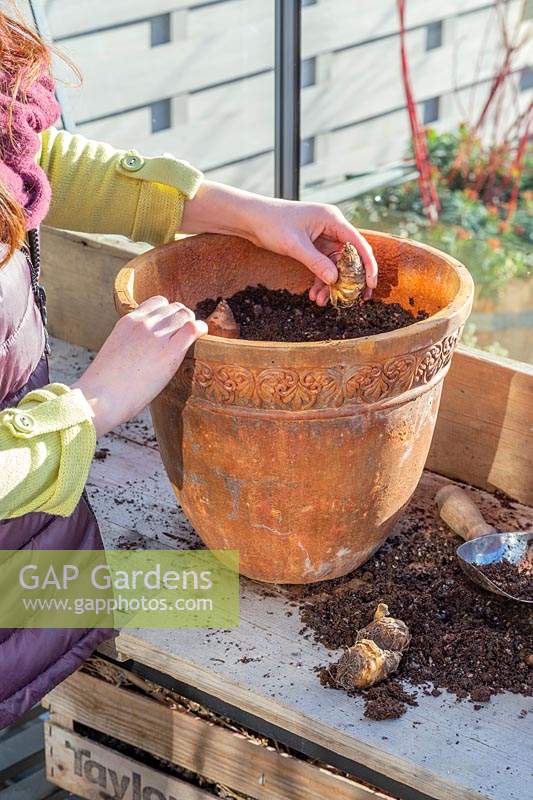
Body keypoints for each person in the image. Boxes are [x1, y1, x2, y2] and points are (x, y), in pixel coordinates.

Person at [0, 5, 378, 727]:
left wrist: (233, 210)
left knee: (214, 606)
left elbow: (21, 164)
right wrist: (93, 405)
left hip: (27, 551)